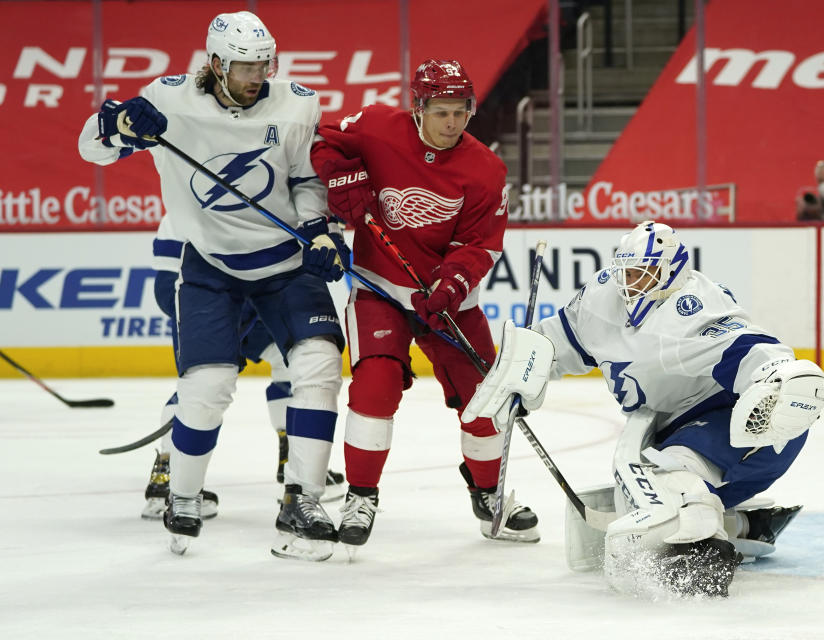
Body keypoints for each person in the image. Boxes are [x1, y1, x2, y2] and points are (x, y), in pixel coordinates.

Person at [77, 11, 351, 562]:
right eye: (246, 66)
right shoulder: (170, 101)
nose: (258, 75)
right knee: (207, 386)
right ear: (217, 63)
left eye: (264, 64)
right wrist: (119, 127)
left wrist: (320, 231)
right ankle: (181, 494)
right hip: (211, 266)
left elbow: (304, 178)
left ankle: (303, 498)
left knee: (318, 365)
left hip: (286, 266)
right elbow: (92, 147)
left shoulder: (296, 102)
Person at [463, 221, 824, 597]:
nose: (630, 283)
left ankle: (702, 554)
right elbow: (562, 339)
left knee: (673, 485)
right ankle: (742, 526)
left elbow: (747, 349)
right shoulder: (604, 293)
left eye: (643, 273)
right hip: (669, 426)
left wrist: (780, 373)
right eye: (626, 272)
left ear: (672, 269)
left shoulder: (692, 307)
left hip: (735, 420)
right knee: (643, 498)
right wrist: (526, 370)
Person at [309, 58, 539, 550]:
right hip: (381, 287)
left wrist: (451, 285)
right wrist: (340, 174)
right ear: (418, 108)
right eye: (441, 111)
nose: (452, 122)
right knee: (375, 384)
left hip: (448, 300)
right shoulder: (376, 126)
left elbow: (481, 244)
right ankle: (361, 495)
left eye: (460, 111)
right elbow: (322, 138)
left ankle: (488, 490)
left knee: (485, 400)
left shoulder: (485, 168)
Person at [139, 218, 347, 523]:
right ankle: (167, 477)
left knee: (295, 365)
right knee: (203, 381)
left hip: (261, 298)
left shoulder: (277, 186)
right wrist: (228, 315)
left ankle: (292, 457)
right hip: (208, 296)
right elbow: (166, 285)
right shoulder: (190, 197)